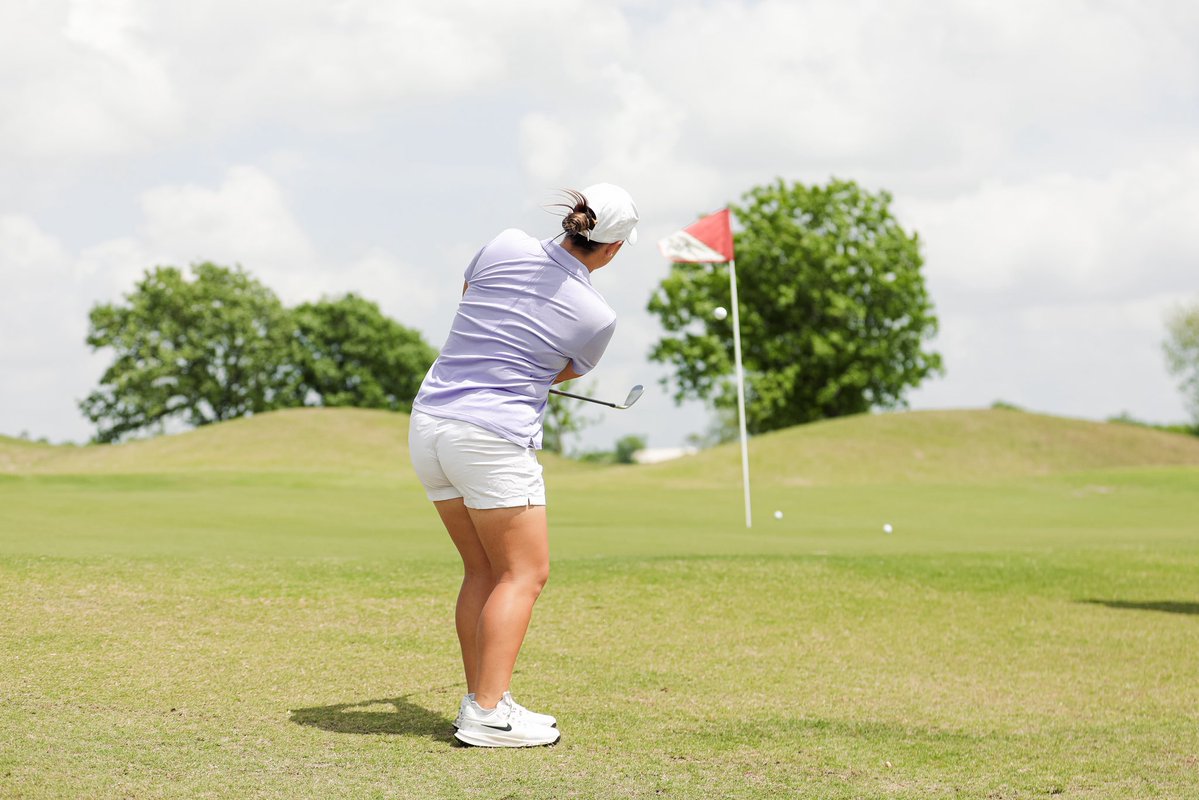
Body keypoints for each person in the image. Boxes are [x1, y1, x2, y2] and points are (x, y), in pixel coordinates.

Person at [408, 184, 639, 748]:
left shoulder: (504, 243)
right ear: (612, 248)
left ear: (571, 220)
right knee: (524, 574)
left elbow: (472, 299)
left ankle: (484, 701)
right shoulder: (597, 315)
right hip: (491, 438)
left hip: (431, 423)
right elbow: (563, 371)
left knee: (483, 571)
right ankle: (486, 713)